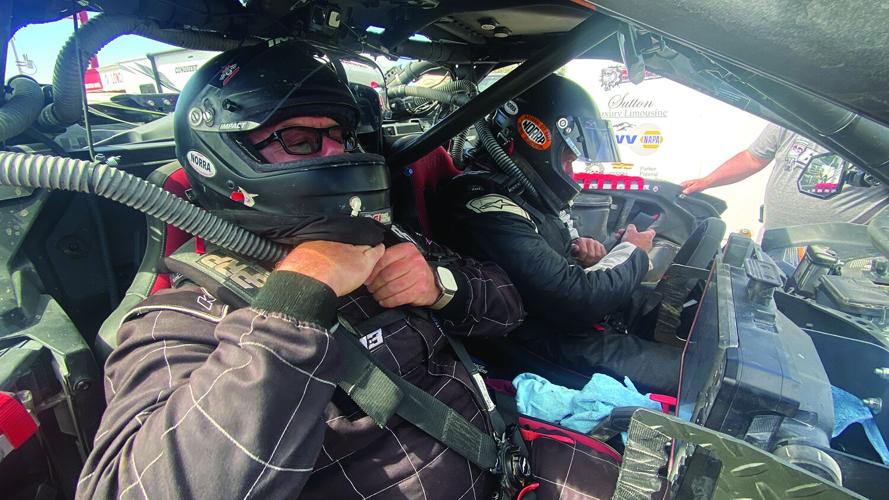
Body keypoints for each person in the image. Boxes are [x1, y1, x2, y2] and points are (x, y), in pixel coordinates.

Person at [76, 41, 622, 499]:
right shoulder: (183, 317)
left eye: (339, 133)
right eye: (299, 139)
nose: (334, 153)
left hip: (512, 465)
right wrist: (295, 301)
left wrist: (441, 288)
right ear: (227, 154)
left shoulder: (377, 239)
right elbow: (131, 489)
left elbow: (508, 309)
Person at [439, 74, 681, 394]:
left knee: (676, 314)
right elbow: (575, 298)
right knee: (685, 375)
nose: (573, 166)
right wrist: (631, 252)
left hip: (563, 319)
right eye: (570, 154)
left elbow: (554, 272)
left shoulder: (524, 192)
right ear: (536, 137)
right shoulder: (486, 205)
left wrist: (584, 257)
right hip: (540, 340)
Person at [680, 123, 889, 230]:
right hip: (775, 241)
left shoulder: (878, 135)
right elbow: (752, 158)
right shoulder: (796, 119)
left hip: (839, 265)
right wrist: (708, 180)